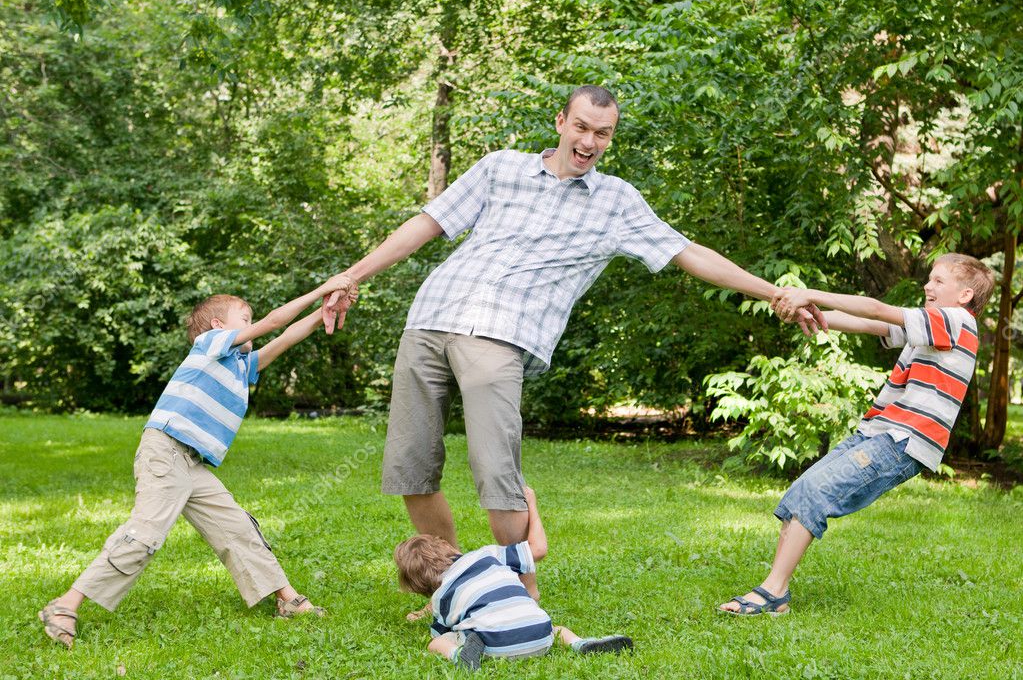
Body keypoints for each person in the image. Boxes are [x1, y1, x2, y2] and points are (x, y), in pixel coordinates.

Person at [323, 85, 822, 602]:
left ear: (610, 139)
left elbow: (689, 253)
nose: (589, 140)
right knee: (412, 467)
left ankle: (521, 596)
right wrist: (351, 275)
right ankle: (450, 590)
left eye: (601, 133)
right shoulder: (500, 167)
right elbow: (428, 224)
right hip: (430, 317)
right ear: (560, 121)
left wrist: (774, 292)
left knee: (497, 474)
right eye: (581, 127)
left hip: (500, 335)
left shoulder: (616, 203)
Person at [38, 277, 356, 648]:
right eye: (244, 316)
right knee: (145, 534)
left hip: (193, 463)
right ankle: (64, 605)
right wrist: (321, 289)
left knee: (237, 528)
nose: (251, 322)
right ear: (218, 326)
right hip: (167, 450)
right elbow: (273, 324)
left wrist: (325, 312)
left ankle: (286, 599)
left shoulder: (240, 365)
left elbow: (284, 338)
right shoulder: (209, 345)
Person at [719, 253, 995, 616]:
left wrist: (809, 294)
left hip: (902, 441)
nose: (927, 285)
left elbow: (878, 309)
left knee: (816, 493)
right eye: (929, 278)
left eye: (939, 281)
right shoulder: (932, 327)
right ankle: (776, 590)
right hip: (879, 433)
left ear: (964, 296)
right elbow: (868, 324)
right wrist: (808, 313)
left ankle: (773, 594)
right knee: (803, 490)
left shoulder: (956, 320)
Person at [393, 486, 633, 670]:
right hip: (540, 635)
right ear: (446, 547)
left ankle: (460, 656)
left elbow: (440, 633)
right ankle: (579, 643)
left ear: (420, 586)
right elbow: (538, 548)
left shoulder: (440, 600)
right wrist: (532, 505)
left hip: (493, 646)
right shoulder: (487, 555)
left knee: (437, 641)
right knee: (556, 628)